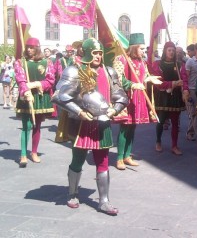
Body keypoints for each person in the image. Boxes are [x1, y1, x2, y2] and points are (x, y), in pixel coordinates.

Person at [52, 38, 128, 215]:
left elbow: (121, 96)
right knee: (78, 159)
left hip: (102, 122)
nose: (98, 56)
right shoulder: (75, 71)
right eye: (95, 53)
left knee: (103, 160)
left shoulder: (109, 72)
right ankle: (73, 193)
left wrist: (114, 110)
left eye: (100, 53)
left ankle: (104, 201)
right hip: (81, 124)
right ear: (86, 52)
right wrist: (79, 112)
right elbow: (59, 95)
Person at [113, 33, 161, 170]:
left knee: (133, 127)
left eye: (145, 49)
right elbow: (117, 79)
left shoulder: (142, 62)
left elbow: (143, 76)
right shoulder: (121, 59)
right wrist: (132, 85)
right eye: (142, 49)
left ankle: (128, 155)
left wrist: (149, 79)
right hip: (126, 97)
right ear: (134, 48)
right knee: (124, 128)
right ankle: (119, 158)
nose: (144, 52)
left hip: (138, 98)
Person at [14, 38, 56, 167]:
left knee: (37, 126)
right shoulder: (21, 62)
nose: (28, 49)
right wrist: (26, 90)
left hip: (39, 97)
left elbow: (50, 80)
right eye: (27, 47)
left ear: (37, 48)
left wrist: (36, 84)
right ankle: (23, 154)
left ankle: (34, 152)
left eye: (32, 47)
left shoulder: (47, 62)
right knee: (26, 126)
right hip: (26, 97)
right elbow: (20, 79)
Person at [151, 41, 189, 155]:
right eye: (169, 50)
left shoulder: (179, 65)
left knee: (175, 122)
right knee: (161, 120)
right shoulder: (157, 64)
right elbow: (158, 82)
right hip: (162, 95)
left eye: (173, 50)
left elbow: (184, 80)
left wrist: (185, 90)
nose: (171, 52)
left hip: (176, 96)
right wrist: (173, 83)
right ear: (165, 51)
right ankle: (158, 141)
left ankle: (174, 145)